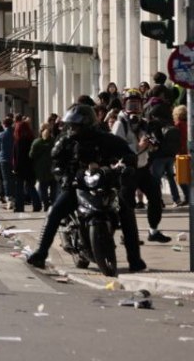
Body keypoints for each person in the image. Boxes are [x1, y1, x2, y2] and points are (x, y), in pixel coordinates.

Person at [26, 104, 145, 272]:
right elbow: (56, 161)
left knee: (126, 212)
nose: (73, 128)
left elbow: (127, 153)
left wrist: (127, 165)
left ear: (87, 124)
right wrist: (64, 176)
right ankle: (41, 252)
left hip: (104, 184)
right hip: (77, 185)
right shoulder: (66, 141)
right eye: (71, 125)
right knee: (54, 212)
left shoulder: (106, 139)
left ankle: (135, 259)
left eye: (76, 125)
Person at [112, 90, 170, 244]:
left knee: (155, 198)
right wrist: (138, 146)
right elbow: (117, 148)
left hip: (143, 168)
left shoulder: (144, 123)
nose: (134, 108)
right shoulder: (120, 124)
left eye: (137, 104)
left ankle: (153, 230)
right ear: (124, 105)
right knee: (127, 204)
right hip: (127, 169)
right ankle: (128, 236)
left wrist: (151, 145)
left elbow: (151, 142)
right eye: (131, 104)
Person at [30, 125, 57, 209]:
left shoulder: (36, 142)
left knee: (43, 188)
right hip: (52, 168)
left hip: (41, 169)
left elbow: (31, 155)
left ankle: (45, 204)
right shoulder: (54, 141)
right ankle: (53, 203)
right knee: (53, 187)